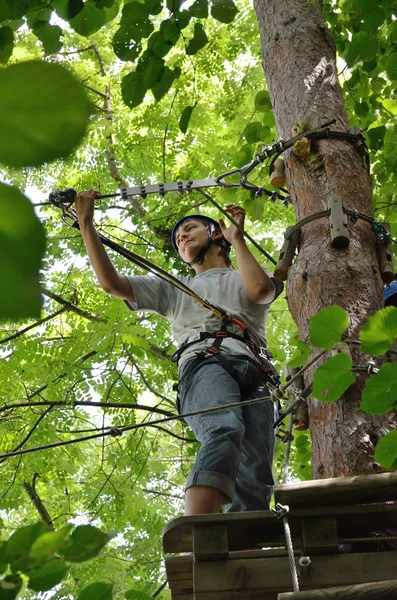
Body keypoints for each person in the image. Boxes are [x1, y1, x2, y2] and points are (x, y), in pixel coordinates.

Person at [75, 189, 283, 515]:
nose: (182, 238)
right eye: (178, 239)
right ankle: (198, 534)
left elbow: (260, 291)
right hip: (205, 364)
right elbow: (113, 284)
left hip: (256, 371)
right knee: (223, 429)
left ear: (215, 233)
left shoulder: (244, 273)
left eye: (189, 230)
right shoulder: (174, 287)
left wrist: (238, 240)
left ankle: (245, 549)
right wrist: (87, 224)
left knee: (256, 469)